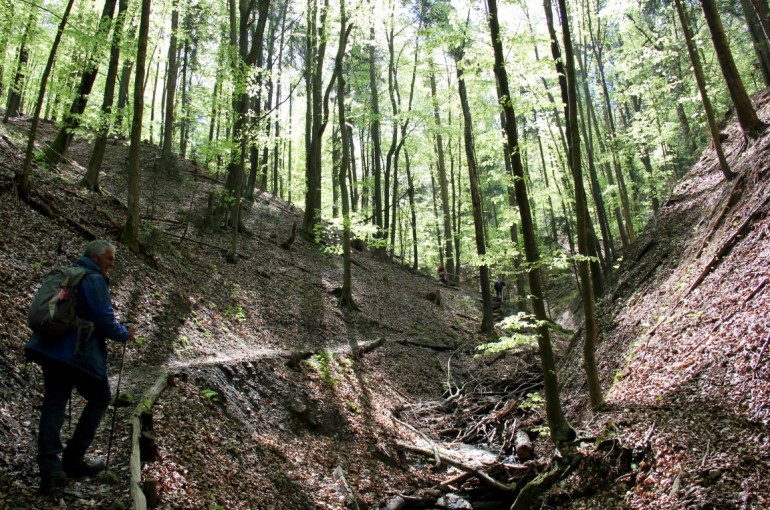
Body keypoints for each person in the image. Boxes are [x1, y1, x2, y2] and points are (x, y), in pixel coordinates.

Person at [24, 240, 134, 493]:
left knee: (54, 404)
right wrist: (125, 333)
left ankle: (50, 470)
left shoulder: (70, 275)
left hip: (51, 350)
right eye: (110, 260)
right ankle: (73, 459)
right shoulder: (93, 280)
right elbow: (105, 322)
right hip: (76, 354)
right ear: (96, 258)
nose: (111, 266)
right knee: (101, 397)